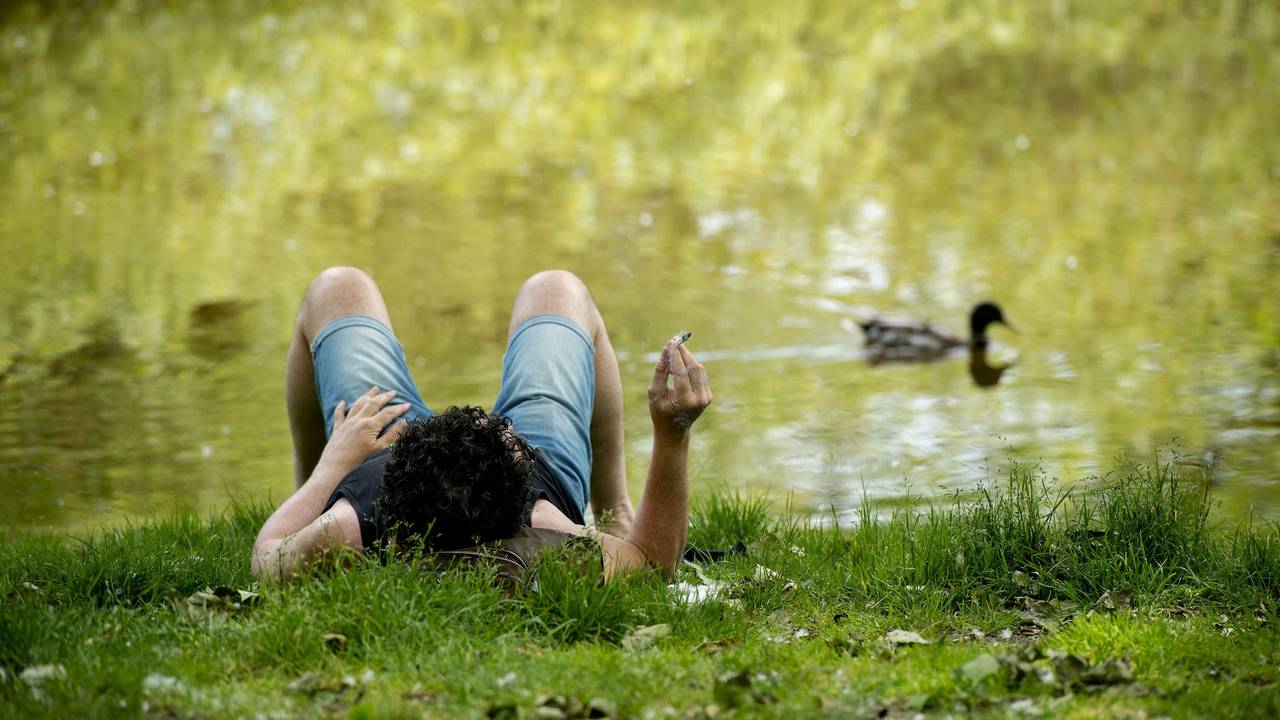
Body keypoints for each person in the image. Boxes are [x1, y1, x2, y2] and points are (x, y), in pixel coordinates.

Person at [251, 267, 712, 582]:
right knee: (557, 288)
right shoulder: (544, 524)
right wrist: (672, 433)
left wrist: (331, 468)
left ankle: (307, 496)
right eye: (511, 441)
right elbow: (652, 567)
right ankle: (616, 509)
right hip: (467, 472)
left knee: (335, 287)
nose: (506, 427)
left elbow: (268, 551)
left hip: (380, 446)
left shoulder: (346, 528)